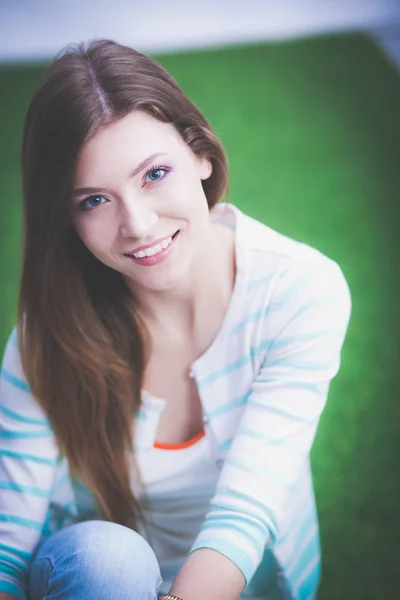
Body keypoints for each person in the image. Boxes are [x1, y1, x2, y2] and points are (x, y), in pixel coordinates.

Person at [0, 39, 351, 600]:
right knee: (110, 562)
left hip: (244, 585)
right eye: (94, 200)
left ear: (201, 155)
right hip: (94, 582)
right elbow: (7, 548)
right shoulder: (47, 332)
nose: (137, 224)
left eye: (155, 173)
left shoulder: (300, 290)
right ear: (64, 219)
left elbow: (244, 511)